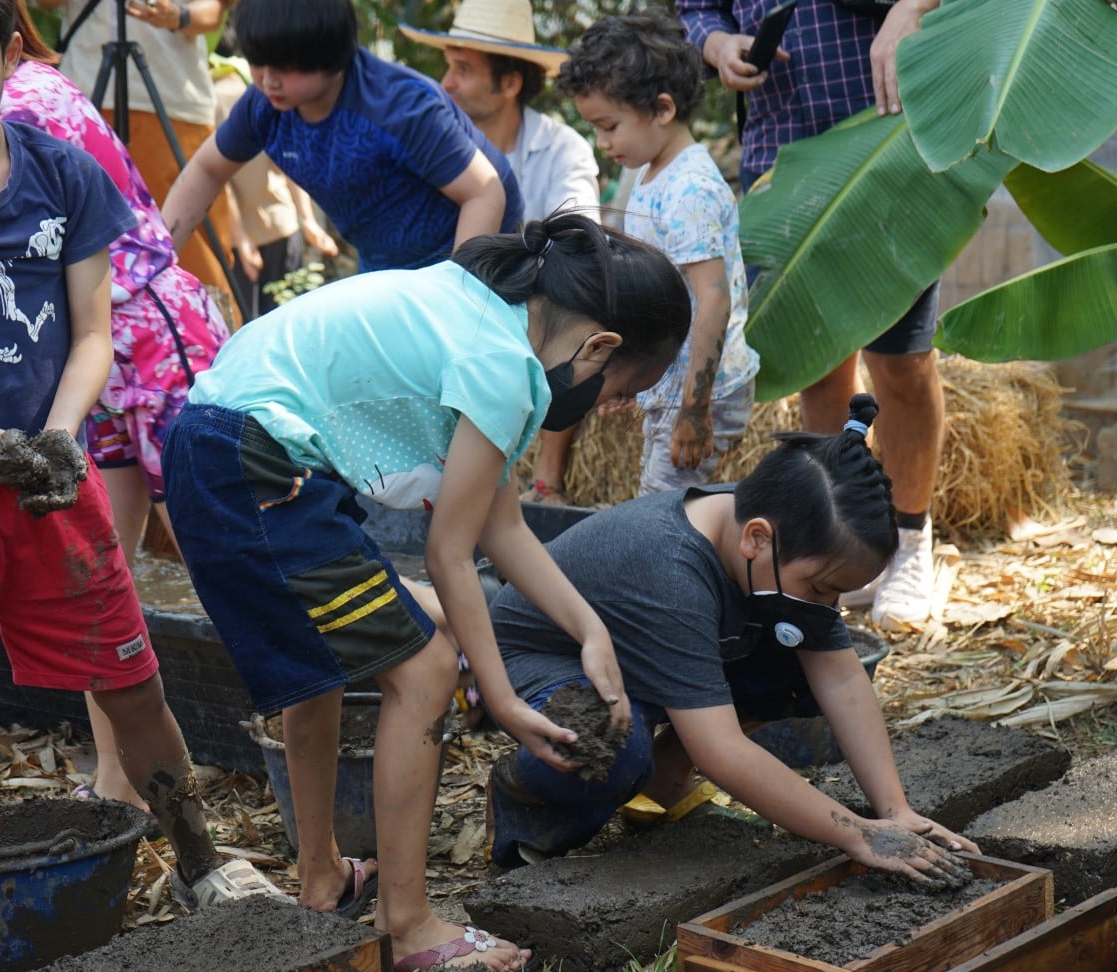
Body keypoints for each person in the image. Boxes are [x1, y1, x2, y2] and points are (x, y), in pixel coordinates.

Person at [0, 0, 283, 972]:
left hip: (50, 483)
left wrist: (63, 436)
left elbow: (89, 334)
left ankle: (202, 859)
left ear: (12, 55)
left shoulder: (64, 175)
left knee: (132, 681)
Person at [162, 210, 691, 972]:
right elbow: (449, 553)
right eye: (621, 392)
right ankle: (406, 924)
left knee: (326, 668)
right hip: (255, 463)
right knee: (429, 670)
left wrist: (589, 631)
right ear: (600, 344)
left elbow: (500, 526)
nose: (610, 408)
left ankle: (321, 878)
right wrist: (503, 699)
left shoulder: (485, 318)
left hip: (227, 449)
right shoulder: (505, 365)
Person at [486, 394, 978, 884]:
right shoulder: (671, 571)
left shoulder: (777, 532)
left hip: (639, 653)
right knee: (613, 747)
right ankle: (526, 800)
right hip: (544, 660)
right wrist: (857, 835)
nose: (829, 607)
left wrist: (894, 811)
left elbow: (844, 681)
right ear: (757, 539)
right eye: (823, 588)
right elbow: (719, 750)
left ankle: (664, 781)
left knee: (796, 666)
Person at [0, 7, 232, 809]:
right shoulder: (5, 97)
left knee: (252, 544)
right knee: (102, 570)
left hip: (142, 333)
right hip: (91, 349)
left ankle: (438, 635)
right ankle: (114, 779)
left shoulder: (21, 107)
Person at [681, 0, 946, 629]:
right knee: (819, 365)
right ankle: (841, 540)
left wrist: (912, 8)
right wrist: (719, 45)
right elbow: (695, 11)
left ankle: (910, 543)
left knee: (901, 362)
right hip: (780, 146)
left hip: (886, 132)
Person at [400, 0, 602, 507]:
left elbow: (582, 240)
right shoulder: (431, 142)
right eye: (448, 66)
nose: (447, 83)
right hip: (452, 300)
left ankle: (546, 478)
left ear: (509, 84)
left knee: (575, 311)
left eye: (463, 69)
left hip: (533, 304)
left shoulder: (563, 149)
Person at [159, 0, 523, 273]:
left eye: (285, 67)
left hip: (479, 249)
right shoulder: (262, 106)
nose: (268, 80)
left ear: (332, 56)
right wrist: (156, 262)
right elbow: (207, 170)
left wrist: (459, 295)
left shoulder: (399, 107)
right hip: (385, 263)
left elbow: (484, 192)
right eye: (258, 63)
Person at [561, 13, 758, 498]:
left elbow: (712, 301)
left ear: (663, 109)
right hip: (674, 387)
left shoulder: (688, 190)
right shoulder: (654, 175)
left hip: (700, 392)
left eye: (609, 126)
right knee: (660, 504)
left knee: (662, 511)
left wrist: (695, 409)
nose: (603, 143)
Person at [36, 0, 239, 315]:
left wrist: (178, 15)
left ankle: (209, 340)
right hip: (86, 96)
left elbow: (213, 11)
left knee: (196, 245)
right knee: (86, 232)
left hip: (173, 99)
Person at [210, 51, 340, 317]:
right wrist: (309, 221)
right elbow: (290, 162)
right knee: (287, 319)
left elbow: (219, 180)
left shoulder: (212, 96)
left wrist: (242, 239)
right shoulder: (265, 88)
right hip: (283, 223)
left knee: (248, 325)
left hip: (243, 239)